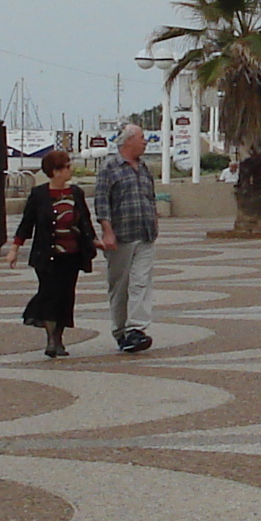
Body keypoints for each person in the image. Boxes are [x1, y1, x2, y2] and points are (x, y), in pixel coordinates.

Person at [2, 147, 97, 359]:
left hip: (71, 255)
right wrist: (14, 249)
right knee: (50, 293)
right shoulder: (39, 194)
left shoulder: (76, 193)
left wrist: (94, 242)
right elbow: (27, 223)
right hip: (47, 255)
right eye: (67, 167)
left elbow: (84, 222)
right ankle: (51, 339)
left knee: (65, 296)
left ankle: (59, 339)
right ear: (55, 171)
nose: (70, 170)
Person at [94, 121, 159, 355]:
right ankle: (121, 331)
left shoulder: (143, 168)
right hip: (122, 236)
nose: (145, 142)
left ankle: (137, 329)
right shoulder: (110, 167)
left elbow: (150, 197)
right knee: (120, 285)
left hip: (145, 234)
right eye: (142, 138)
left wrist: (154, 219)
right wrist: (107, 231)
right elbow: (101, 202)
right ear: (129, 140)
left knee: (141, 281)